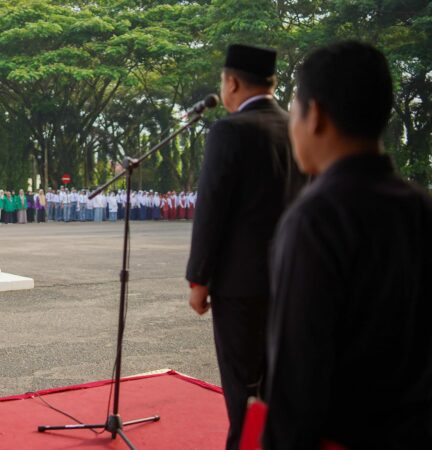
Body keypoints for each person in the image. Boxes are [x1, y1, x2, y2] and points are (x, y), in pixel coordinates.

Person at [262, 41, 432, 449]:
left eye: (294, 110)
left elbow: (296, 378)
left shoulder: (316, 220)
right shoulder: (422, 208)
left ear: (315, 115)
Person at [185, 44, 305, 450]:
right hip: (292, 279)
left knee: (242, 390)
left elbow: (212, 209)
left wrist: (198, 279)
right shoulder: (297, 127)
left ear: (232, 82)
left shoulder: (229, 130)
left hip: (241, 285)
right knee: (278, 384)